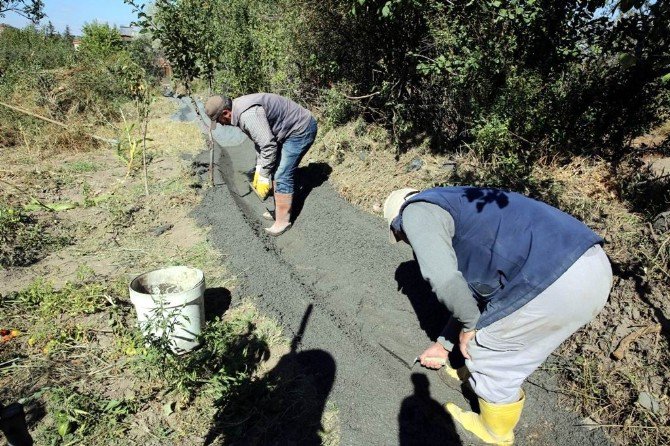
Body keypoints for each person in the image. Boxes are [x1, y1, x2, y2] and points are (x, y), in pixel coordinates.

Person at [384, 186, 612, 445]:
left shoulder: (415, 211)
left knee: (490, 351)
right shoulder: (464, 205)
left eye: (402, 237)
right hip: (591, 265)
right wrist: (444, 345)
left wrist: (471, 327)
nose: (408, 241)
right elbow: (476, 295)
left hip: (555, 280)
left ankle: (495, 431)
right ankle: (483, 382)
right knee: (499, 333)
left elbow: (445, 280)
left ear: (398, 223)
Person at [205, 93, 318, 236]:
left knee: (282, 174)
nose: (220, 123)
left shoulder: (248, 115)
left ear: (226, 113)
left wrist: (264, 175)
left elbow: (268, 146)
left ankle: (283, 222)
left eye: (219, 120)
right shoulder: (239, 111)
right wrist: (260, 169)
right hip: (286, 132)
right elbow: (260, 143)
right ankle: (279, 211)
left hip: (301, 129)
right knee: (273, 168)